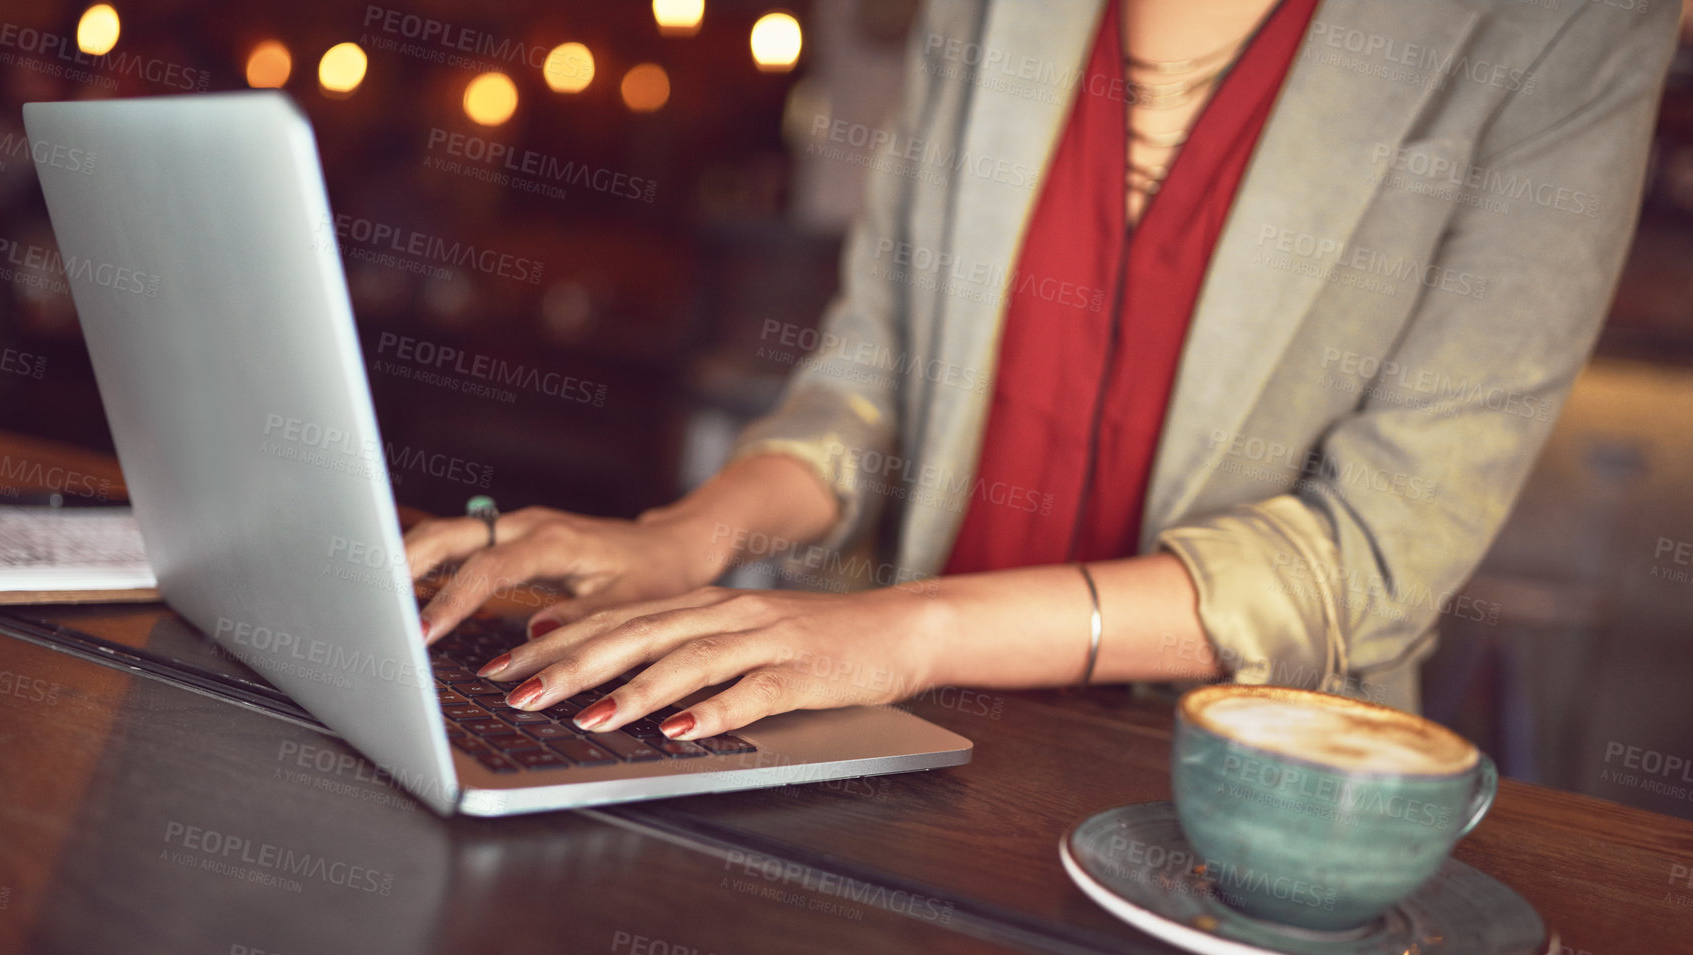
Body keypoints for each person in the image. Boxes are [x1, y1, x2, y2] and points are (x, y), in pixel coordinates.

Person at [403, 0, 1679, 743]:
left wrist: (913, 627)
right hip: (908, 737)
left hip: (1227, 790)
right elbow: (871, 380)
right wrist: (690, 535)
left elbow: (1373, 561)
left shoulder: (1567, 26)